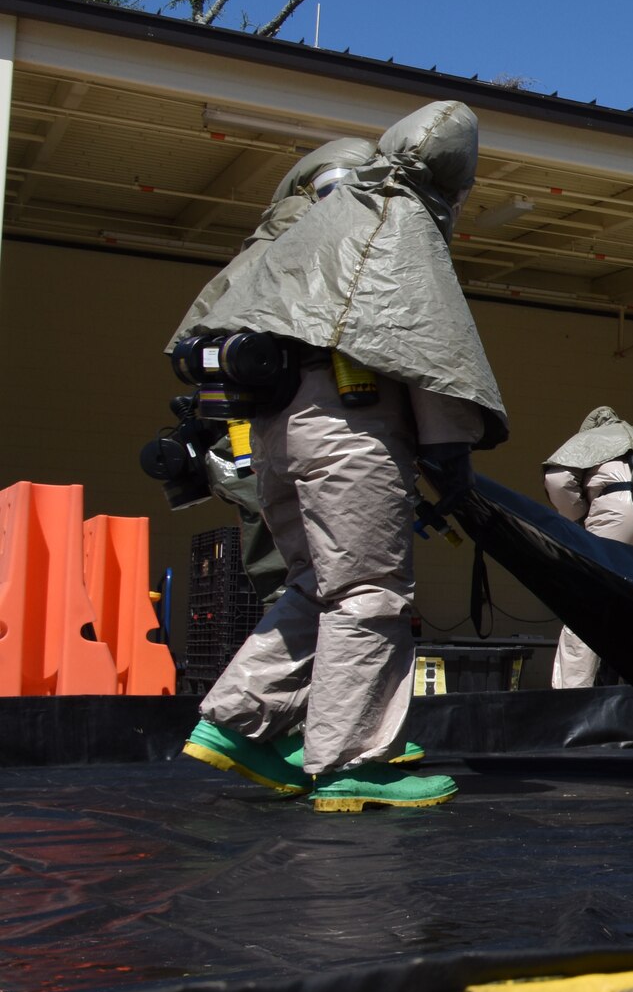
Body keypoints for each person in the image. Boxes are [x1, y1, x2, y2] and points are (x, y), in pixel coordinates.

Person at [171, 101, 507, 811]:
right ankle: (355, 760)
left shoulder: (296, 233)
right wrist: (448, 453)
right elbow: (422, 345)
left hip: (273, 431)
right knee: (369, 591)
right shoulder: (395, 215)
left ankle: (239, 723)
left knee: (314, 585)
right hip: (351, 428)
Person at [195, 137, 381, 609]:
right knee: (351, 591)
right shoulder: (329, 251)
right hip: (302, 429)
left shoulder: (256, 257)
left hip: (265, 433)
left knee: (300, 587)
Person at [543, 405, 633, 686]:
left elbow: (558, 479)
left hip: (615, 509)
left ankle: (572, 697)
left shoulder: (592, 440)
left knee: (588, 603)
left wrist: (579, 515)